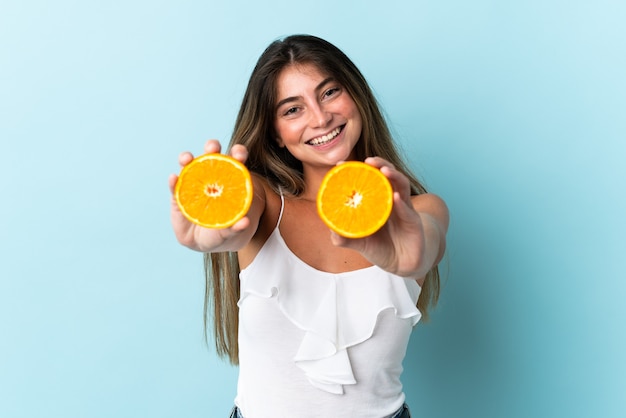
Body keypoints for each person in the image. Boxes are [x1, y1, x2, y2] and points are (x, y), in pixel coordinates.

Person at [169, 34, 449, 418]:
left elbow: (427, 240)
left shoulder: (418, 211)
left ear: (357, 97)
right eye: (292, 110)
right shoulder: (265, 203)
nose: (320, 119)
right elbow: (240, 214)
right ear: (276, 135)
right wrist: (219, 230)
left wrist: (415, 255)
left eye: (330, 92)